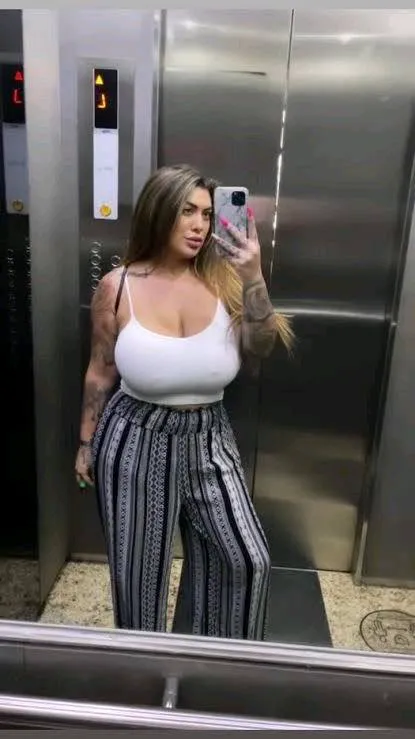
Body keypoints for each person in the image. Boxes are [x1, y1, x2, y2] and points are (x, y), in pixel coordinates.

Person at [74, 164, 293, 641]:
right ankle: (146, 671)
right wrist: (86, 442)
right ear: (159, 212)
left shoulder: (225, 281)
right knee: (139, 579)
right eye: (187, 211)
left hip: (210, 438)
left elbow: (260, 346)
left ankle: (214, 663)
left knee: (246, 560)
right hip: (134, 438)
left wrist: (253, 275)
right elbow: (100, 368)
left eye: (208, 215)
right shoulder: (117, 287)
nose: (200, 225)